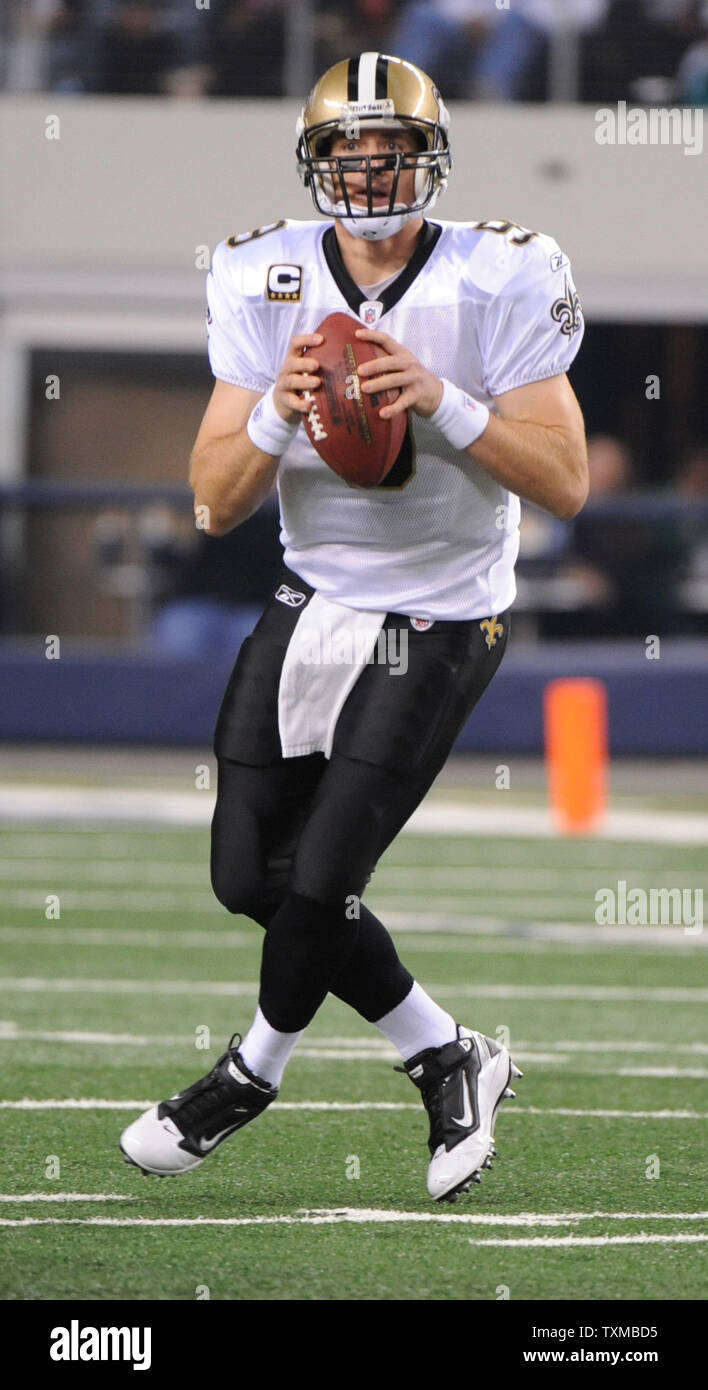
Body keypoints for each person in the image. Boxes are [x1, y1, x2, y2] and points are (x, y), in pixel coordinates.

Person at [120, 51, 588, 1202]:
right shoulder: (259, 270)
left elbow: (567, 479)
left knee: (325, 868)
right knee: (248, 874)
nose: (370, 172)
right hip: (312, 593)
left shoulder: (503, 273)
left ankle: (248, 1073)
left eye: (392, 152)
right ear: (315, 161)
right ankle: (444, 1049)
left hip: (440, 609)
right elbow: (215, 498)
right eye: (349, 151)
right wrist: (279, 416)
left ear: (429, 162)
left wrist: (444, 400)